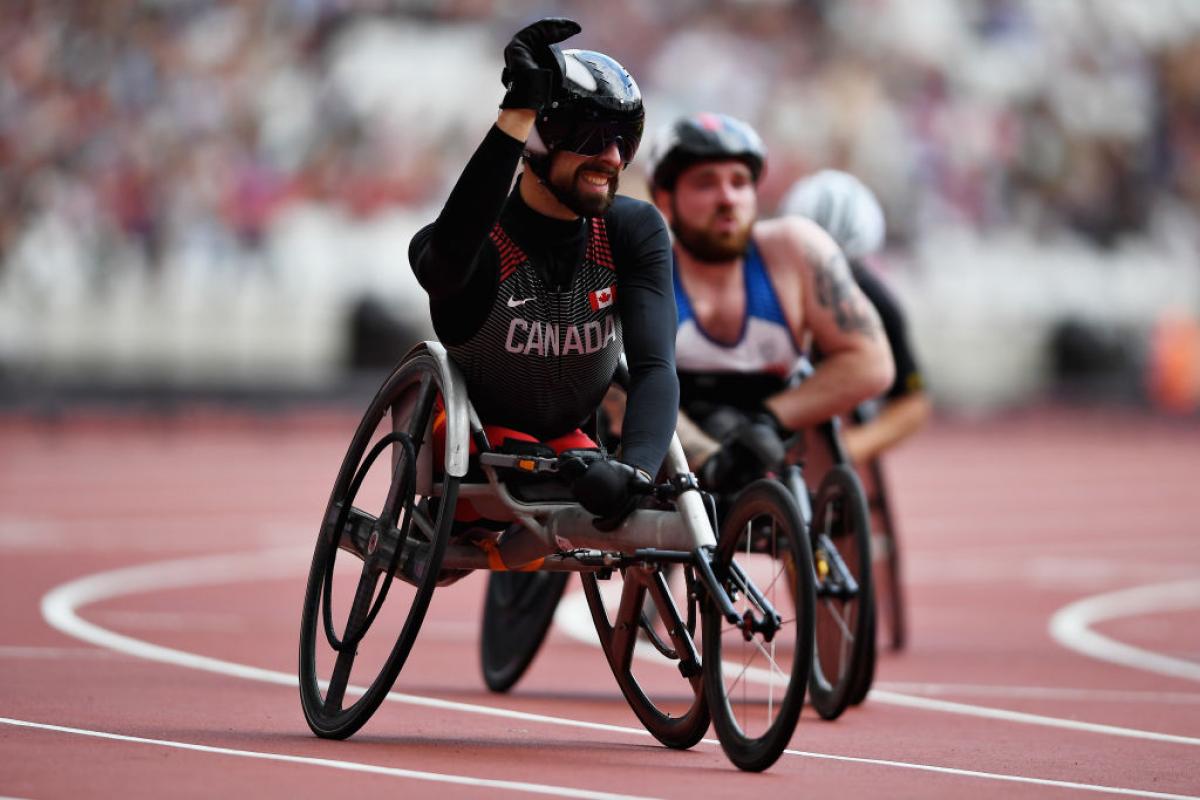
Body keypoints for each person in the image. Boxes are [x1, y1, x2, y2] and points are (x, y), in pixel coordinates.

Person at [408, 18, 679, 526]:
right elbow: (442, 265)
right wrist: (516, 114)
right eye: (594, 137)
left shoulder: (633, 231)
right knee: (542, 468)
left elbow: (655, 367)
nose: (613, 158)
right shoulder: (480, 243)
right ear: (540, 140)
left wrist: (638, 471)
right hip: (474, 444)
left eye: (626, 139)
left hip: (572, 444)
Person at [642, 112, 893, 488]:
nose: (727, 198)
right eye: (705, 183)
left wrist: (770, 419)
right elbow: (617, 389)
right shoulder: (643, 263)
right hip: (673, 437)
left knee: (828, 459)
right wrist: (707, 458)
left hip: (776, 424)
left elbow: (871, 363)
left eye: (740, 182)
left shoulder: (796, 249)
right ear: (665, 197)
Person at [779, 169, 931, 464]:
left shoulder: (878, 301)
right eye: (811, 269)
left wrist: (852, 446)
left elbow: (912, 402)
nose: (828, 287)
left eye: (841, 270)